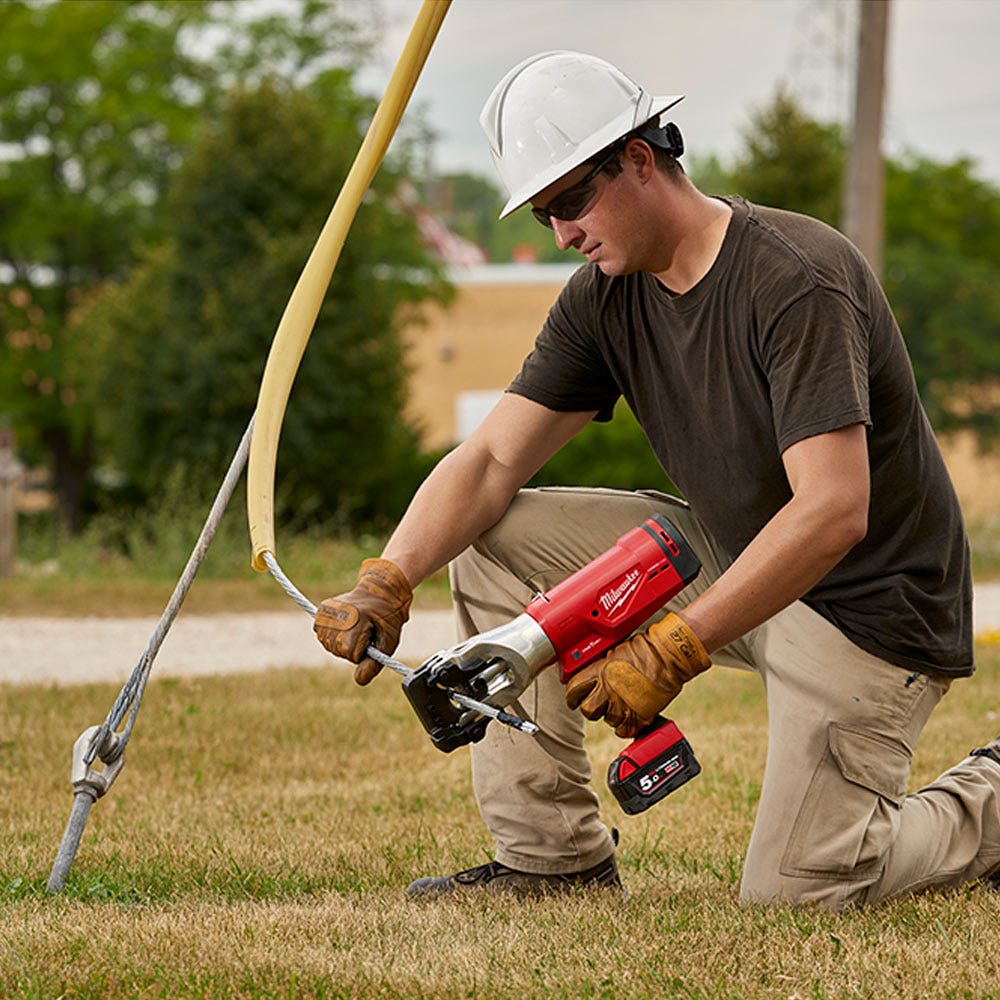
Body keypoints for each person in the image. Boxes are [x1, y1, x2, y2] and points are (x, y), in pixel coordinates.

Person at [314, 51, 999, 909]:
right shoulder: (604, 295)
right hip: (734, 552)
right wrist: (389, 576)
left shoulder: (794, 276)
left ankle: (993, 800)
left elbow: (833, 511)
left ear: (639, 160)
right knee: (493, 542)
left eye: (570, 201)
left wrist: (676, 645)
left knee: (801, 893)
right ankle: (551, 861)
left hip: (869, 607)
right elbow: (489, 462)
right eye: (543, 212)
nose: (559, 232)